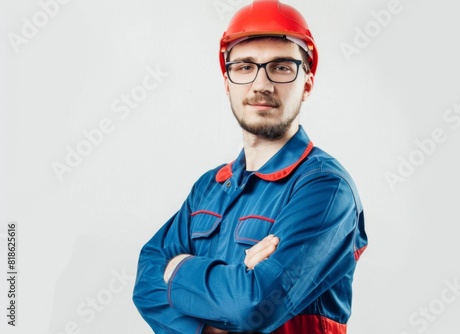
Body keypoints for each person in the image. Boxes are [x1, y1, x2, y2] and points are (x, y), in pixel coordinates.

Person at [132, 1, 368, 333]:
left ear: (307, 84)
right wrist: (209, 326)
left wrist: (179, 267)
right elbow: (146, 282)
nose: (262, 84)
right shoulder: (209, 187)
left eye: (282, 67)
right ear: (227, 82)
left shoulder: (326, 188)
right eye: (245, 66)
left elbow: (254, 304)